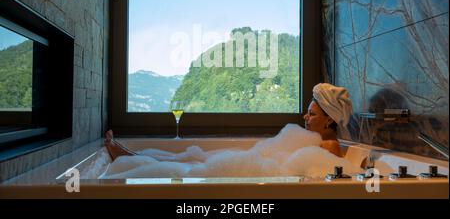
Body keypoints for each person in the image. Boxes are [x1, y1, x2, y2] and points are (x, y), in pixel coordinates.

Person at [105, 83, 353, 160]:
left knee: (190, 162)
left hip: (258, 167)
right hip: (255, 163)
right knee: (190, 158)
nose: (305, 117)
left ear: (330, 120)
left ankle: (127, 156)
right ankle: (129, 155)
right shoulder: (316, 142)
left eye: (313, 114)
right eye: (307, 111)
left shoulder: (329, 149)